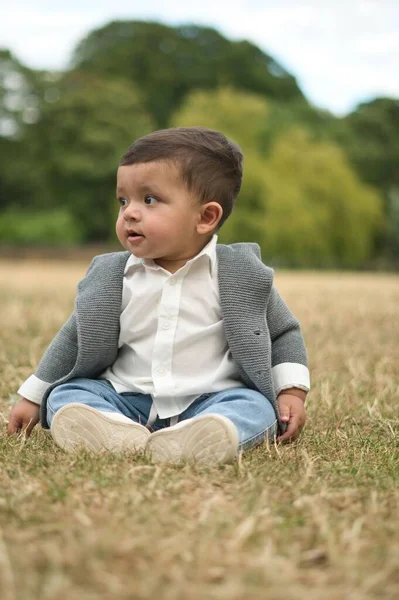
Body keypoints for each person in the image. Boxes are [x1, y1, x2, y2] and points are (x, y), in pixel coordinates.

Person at [7, 127, 310, 466]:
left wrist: (291, 391)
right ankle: (114, 431)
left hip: (213, 399)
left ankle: (205, 434)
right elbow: (73, 339)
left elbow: (284, 332)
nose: (130, 213)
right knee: (68, 395)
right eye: (123, 201)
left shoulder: (241, 274)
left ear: (206, 217)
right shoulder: (112, 276)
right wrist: (33, 397)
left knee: (256, 407)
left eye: (149, 200)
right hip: (126, 397)